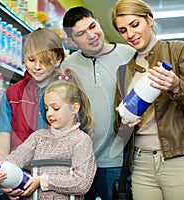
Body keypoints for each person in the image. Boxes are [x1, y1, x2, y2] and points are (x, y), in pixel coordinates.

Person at [111, 0, 184, 199]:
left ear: (149, 19)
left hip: (180, 160)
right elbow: (120, 129)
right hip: (141, 164)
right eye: (123, 30)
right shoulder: (124, 71)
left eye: (134, 25)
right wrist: (123, 123)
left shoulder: (179, 52)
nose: (130, 35)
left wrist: (176, 87)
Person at [61, 6, 135, 200]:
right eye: (81, 33)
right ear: (72, 41)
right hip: (81, 162)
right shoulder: (67, 66)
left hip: (117, 160)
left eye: (92, 26)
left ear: (99, 23)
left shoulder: (128, 55)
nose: (91, 35)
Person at [0, 72, 97, 199]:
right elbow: (15, 159)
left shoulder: (81, 141)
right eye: (46, 108)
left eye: (55, 108)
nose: (49, 114)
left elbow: (82, 183)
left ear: (74, 108)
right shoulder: (38, 137)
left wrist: (43, 181)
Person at [0, 27, 65, 199]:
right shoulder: (12, 94)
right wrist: (4, 178)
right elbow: (3, 141)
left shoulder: (69, 93)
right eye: (31, 60)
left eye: (45, 60)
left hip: (56, 185)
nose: (37, 67)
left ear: (58, 60)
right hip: (19, 181)